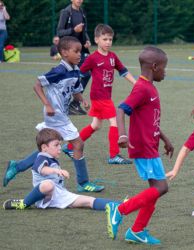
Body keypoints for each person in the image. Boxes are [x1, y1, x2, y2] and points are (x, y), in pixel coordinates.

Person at [3, 36, 104, 193]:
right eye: (76, 51)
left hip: (61, 115)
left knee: (49, 147)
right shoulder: (58, 71)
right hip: (55, 116)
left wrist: (81, 99)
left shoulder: (76, 71)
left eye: (80, 51)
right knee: (78, 144)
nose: (79, 55)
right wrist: (47, 104)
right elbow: (37, 85)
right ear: (64, 53)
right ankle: (83, 183)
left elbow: (76, 90)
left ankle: (18, 166)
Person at [105, 47, 174, 245]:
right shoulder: (142, 88)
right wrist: (122, 135)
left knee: (155, 189)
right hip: (144, 147)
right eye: (163, 68)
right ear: (154, 67)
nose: (165, 72)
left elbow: (149, 119)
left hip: (151, 145)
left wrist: (165, 139)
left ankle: (136, 231)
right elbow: (121, 110)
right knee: (161, 187)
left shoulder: (150, 87)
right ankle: (119, 210)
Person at [62, 24, 136, 165]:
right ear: (96, 40)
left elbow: (123, 71)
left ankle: (70, 146)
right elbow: (79, 74)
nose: (108, 42)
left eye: (110, 39)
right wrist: (71, 87)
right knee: (114, 121)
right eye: (104, 39)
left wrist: (136, 83)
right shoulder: (93, 58)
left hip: (105, 97)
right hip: (99, 97)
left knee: (95, 125)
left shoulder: (113, 57)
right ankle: (114, 155)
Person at [3, 128, 116, 210]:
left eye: (60, 145)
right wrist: (57, 171)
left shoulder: (51, 157)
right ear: (44, 147)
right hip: (43, 196)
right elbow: (42, 169)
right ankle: (24, 203)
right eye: (56, 145)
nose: (60, 148)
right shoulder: (41, 157)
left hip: (59, 194)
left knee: (89, 200)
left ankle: (122, 205)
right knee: (48, 184)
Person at [57, 0, 91, 115]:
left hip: (79, 49)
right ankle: (69, 104)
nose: (80, 0)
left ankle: (73, 104)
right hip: (69, 49)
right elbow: (60, 32)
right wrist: (73, 30)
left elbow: (84, 30)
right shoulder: (66, 12)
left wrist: (87, 40)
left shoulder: (82, 11)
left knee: (84, 74)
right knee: (78, 75)